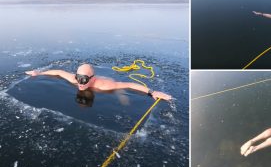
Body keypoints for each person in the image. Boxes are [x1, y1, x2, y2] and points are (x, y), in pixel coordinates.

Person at [25, 64, 172, 101]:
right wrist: (38, 73)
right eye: (78, 78)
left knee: (123, 98)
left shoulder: (103, 85)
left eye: (84, 80)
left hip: (111, 82)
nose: (80, 83)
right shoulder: (74, 79)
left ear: (92, 79)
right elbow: (57, 72)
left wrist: (152, 92)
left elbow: (129, 84)